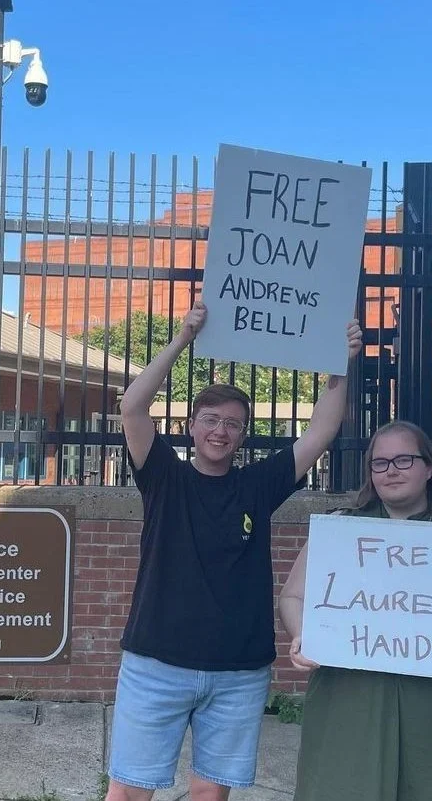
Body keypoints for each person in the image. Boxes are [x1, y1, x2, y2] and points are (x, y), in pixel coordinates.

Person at [105, 301, 363, 801]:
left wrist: (341, 364)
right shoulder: (163, 476)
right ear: (192, 426)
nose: (220, 431)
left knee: (211, 794)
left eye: (232, 424)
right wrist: (183, 338)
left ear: (243, 435)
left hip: (238, 671)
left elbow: (321, 432)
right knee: (128, 794)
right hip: (157, 663)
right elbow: (133, 407)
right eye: (211, 420)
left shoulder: (257, 485)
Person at [278, 420, 432, 801]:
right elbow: (292, 597)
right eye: (380, 463)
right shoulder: (340, 533)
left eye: (403, 460)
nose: (391, 470)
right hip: (350, 705)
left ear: (428, 468)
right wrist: (303, 634)